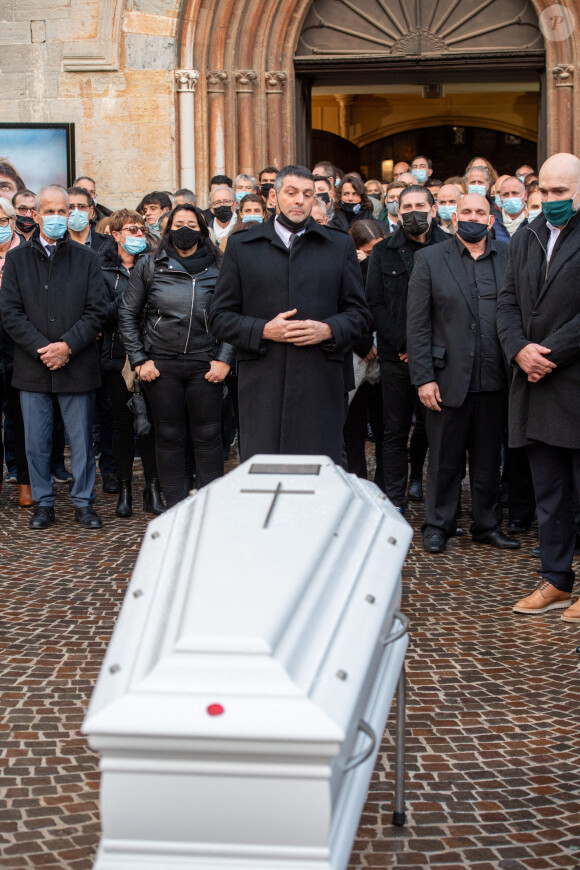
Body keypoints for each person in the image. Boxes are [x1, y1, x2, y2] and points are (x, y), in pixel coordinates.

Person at [209, 164, 371, 464]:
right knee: (265, 478)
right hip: (262, 384)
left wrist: (329, 329)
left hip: (321, 381)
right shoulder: (243, 246)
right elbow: (218, 317)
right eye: (291, 193)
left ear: (317, 200)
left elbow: (360, 314)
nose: (299, 200)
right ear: (274, 197)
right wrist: (262, 330)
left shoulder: (338, 245)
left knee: (318, 476)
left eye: (307, 195)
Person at [406, 193, 520, 554]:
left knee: (488, 459)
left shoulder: (508, 256)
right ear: (455, 217)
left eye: (480, 212)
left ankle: (486, 525)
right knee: (443, 458)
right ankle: (437, 524)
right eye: (466, 211)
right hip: (446, 377)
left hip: (495, 377)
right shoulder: (429, 259)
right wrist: (423, 378)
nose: (473, 217)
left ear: (491, 219)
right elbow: (419, 324)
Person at [497, 152, 580, 621]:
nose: (550, 200)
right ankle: (556, 580)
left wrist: (546, 353)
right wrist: (517, 349)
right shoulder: (526, 236)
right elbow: (507, 301)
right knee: (549, 491)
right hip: (534, 385)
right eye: (544, 191)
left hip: (571, 378)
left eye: (560, 192)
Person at [0, 184, 107, 530]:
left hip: (76, 364)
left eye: (63, 211)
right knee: (36, 441)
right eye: (50, 211)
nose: (58, 217)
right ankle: (43, 503)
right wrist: (42, 349)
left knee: (80, 442)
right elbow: (11, 313)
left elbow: (96, 311)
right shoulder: (17, 260)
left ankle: (83, 502)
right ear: (35, 214)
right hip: (33, 366)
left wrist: (67, 346)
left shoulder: (88, 258)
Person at [118, 203, 235, 508]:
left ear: (202, 230)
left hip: (205, 363)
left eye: (192, 225)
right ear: (168, 230)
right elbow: (128, 313)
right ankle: (175, 507)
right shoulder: (150, 264)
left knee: (209, 437)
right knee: (169, 436)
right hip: (161, 363)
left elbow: (233, 314)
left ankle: (209, 507)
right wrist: (140, 360)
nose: (185, 230)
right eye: (178, 224)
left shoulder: (221, 266)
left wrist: (225, 359)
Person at [366, 184, 448, 512]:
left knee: (436, 433)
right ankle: (395, 502)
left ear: (433, 209)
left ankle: (437, 506)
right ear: (397, 212)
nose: (414, 212)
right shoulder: (383, 251)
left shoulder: (449, 246)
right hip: (395, 357)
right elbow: (375, 303)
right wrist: (405, 344)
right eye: (407, 206)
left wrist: (424, 348)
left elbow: (451, 306)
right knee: (394, 431)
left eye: (420, 205)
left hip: (438, 357)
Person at [99, 209, 163, 517]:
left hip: (150, 354)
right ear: (116, 234)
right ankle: (124, 489)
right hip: (115, 355)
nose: (137, 234)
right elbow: (100, 312)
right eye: (130, 230)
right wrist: (131, 298)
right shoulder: (100, 268)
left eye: (140, 229)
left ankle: (152, 488)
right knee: (122, 425)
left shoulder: (154, 263)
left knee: (150, 424)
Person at [344, 219, 386, 488]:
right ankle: (356, 483)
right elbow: (342, 304)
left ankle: (385, 488)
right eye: (370, 253)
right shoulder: (347, 268)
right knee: (353, 427)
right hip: (355, 353)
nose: (376, 258)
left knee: (386, 429)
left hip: (385, 352)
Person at [0, 197, 32, 506]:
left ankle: (25, 483)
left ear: (10, 222)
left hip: (20, 347)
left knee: (21, 421)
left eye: (0, 220)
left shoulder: (24, 254)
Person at [66, 186, 110, 252]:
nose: (76, 212)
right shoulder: (55, 245)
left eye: (82, 206)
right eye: (70, 207)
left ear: (91, 211)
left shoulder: (108, 244)